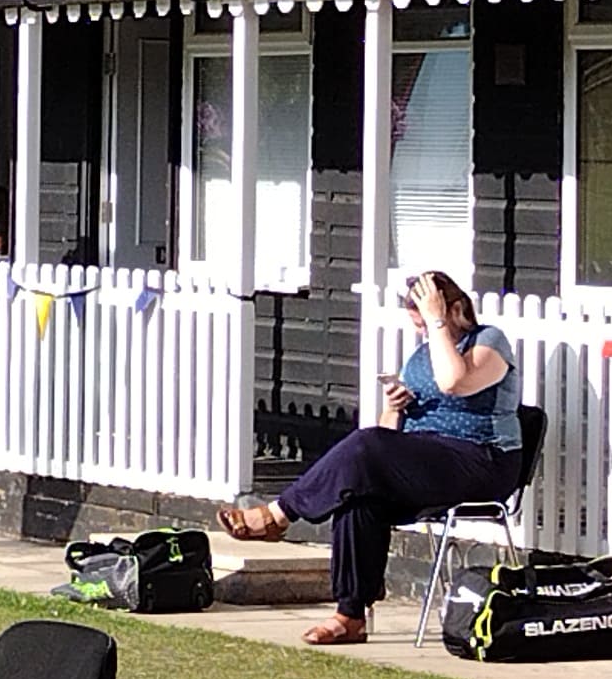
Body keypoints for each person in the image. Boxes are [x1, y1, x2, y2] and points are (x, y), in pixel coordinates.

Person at [217, 268, 519, 645]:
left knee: (363, 446)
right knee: (357, 494)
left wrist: (438, 321)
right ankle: (350, 616)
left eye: (424, 323)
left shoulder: (489, 341)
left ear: (450, 309)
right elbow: (390, 434)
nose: (423, 333)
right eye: (419, 326)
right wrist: (394, 409)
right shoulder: (423, 355)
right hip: (426, 463)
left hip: (481, 461)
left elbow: (454, 382)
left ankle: (279, 514)